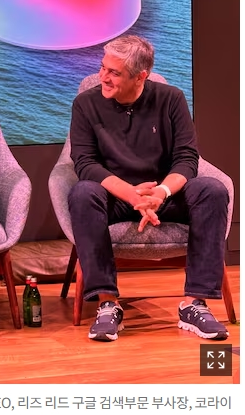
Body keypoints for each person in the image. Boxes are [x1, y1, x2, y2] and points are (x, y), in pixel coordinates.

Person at [68, 35, 229, 342]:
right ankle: (107, 304)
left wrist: (160, 193)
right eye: (103, 68)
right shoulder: (86, 104)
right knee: (82, 193)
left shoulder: (171, 99)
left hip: (163, 194)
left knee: (212, 190)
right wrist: (132, 195)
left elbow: (187, 157)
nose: (103, 77)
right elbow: (85, 163)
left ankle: (194, 303)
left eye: (114, 73)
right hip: (116, 197)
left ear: (140, 76)